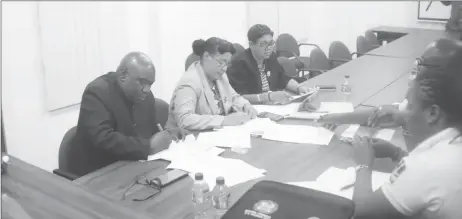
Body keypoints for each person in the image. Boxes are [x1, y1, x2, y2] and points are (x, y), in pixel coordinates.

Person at [351, 39, 462, 219]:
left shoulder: (428, 166)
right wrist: (396, 153)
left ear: (433, 113)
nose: (404, 115)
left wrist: (363, 164)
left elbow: (360, 215)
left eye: (410, 106)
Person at [72, 52, 186, 177]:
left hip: (134, 168)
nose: (146, 89)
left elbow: (149, 133)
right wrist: (148, 146)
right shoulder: (97, 93)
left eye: (150, 84)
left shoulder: (146, 97)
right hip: (98, 173)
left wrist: (165, 137)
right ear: (122, 75)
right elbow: (102, 139)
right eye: (142, 82)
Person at [166, 38, 257, 131]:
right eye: (221, 62)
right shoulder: (189, 82)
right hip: (189, 139)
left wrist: (245, 106)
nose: (225, 68)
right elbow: (184, 119)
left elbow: (233, 97)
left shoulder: (219, 75)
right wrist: (224, 120)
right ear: (206, 56)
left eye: (227, 63)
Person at [226, 24, 311, 105]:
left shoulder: (271, 57)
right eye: (263, 44)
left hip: (272, 104)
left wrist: (298, 88)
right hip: (254, 109)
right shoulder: (240, 64)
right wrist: (268, 97)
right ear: (251, 44)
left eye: (271, 43)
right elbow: (239, 97)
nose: (269, 48)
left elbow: (283, 78)